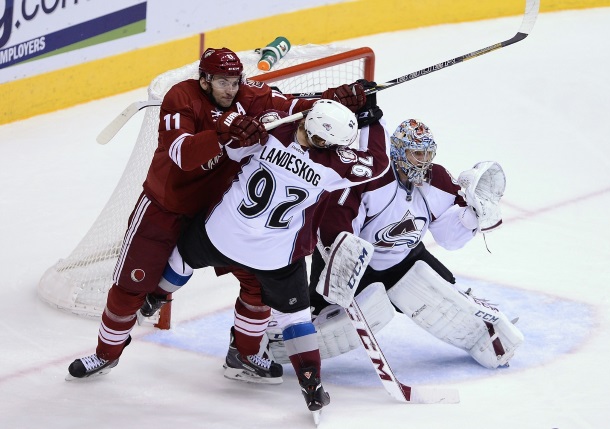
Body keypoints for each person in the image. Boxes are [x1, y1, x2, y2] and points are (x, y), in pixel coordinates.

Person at [66, 47, 367, 381]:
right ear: (205, 80)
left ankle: (243, 356)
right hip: (166, 208)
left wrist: (333, 101)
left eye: (235, 81)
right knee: (130, 288)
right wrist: (224, 135)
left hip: (218, 214)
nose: (230, 89)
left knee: (257, 288)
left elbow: (294, 108)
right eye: (222, 81)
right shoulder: (181, 97)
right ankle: (105, 354)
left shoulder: (251, 95)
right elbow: (181, 154)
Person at [158, 99, 390, 415]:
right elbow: (377, 163)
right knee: (295, 318)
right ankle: (312, 385)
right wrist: (371, 122)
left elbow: (235, 144)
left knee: (183, 255)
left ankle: (155, 296)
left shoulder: (270, 128)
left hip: (222, 234)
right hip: (274, 256)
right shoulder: (333, 164)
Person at [268, 114, 524, 370]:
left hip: (405, 259)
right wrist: (344, 261)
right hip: (355, 263)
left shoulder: (438, 179)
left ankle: (485, 338)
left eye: (427, 154)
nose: (424, 161)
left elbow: (449, 238)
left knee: (447, 294)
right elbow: (335, 226)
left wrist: (472, 217)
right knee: (322, 316)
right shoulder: (372, 178)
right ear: (399, 152)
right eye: (417, 154)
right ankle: (275, 339)